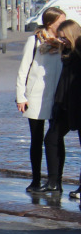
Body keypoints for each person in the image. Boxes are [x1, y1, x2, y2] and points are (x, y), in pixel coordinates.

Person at [17, 7, 65, 192]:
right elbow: (23, 70)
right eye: (60, 21)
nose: (63, 25)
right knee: (36, 139)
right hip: (36, 95)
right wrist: (20, 96)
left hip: (57, 96)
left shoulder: (63, 43)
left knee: (56, 138)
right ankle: (35, 179)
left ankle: (55, 181)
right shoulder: (35, 41)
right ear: (49, 23)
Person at [43, 19, 81, 197]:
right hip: (64, 103)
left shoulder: (78, 51)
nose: (62, 41)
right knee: (51, 138)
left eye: (64, 38)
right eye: (60, 38)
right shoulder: (65, 51)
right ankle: (54, 182)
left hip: (78, 104)